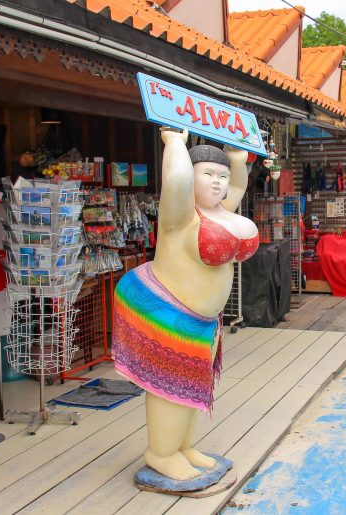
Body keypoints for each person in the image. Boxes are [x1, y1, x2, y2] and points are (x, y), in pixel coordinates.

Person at [112, 128, 258, 484]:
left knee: (193, 384)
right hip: (168, 312)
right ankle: (161, 453)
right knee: (171, 388)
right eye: (208, 174)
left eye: (221, 177)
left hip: (204, 321)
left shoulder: (222, 211)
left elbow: (236, 186)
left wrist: (236, 160)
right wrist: (175, 143)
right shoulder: (180, 216)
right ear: (189, 176)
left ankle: (182, 446)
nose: (218, 183)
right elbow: (175, 182)